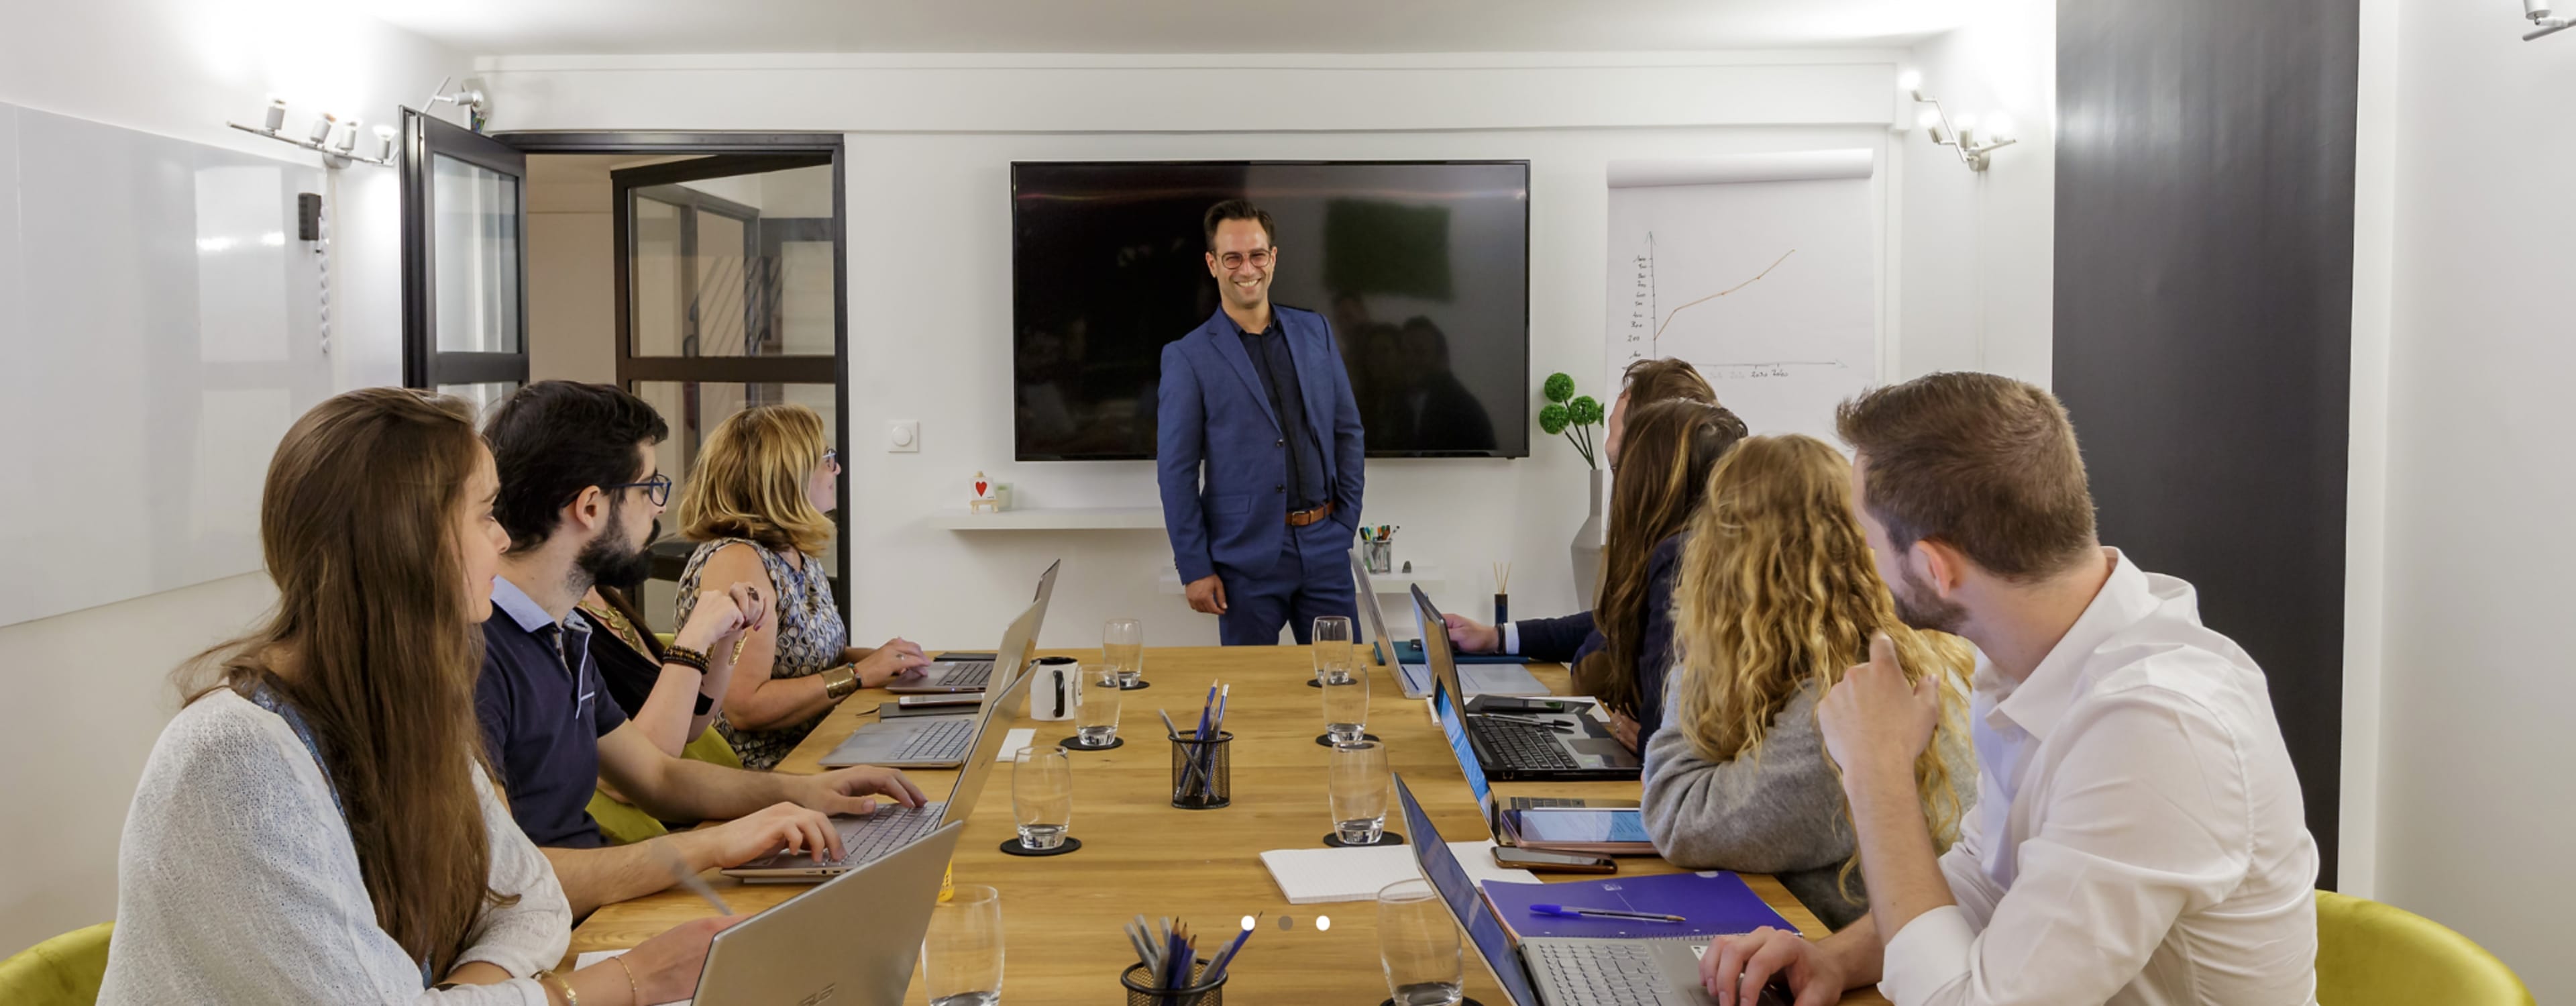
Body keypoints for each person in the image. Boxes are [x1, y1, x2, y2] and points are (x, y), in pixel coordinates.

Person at [102, 388, 739, 1005]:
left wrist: (463, 996)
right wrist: (615, 984)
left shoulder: (407, 708)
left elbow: (533, 897)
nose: (502, 538)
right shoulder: (233, 758)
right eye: (486, 513)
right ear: (407, 541)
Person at [1701, 372, 2318, 1006]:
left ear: (1935, 568)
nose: (1862, 557)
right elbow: (1987, 885)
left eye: (1868, 538)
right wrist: (1831, 957)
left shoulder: (2155, 727)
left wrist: (1876, 770)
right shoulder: (2040, 661)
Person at [477, 382, 926, 917]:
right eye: (649, 488)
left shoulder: (562, 634)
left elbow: (658, 777)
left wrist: (806, 792)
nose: (658, 510)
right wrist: (717, 844)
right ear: (592, 507)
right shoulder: (477, 653)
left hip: (600, 908)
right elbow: (506, 885)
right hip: (565, 929)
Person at [1640, 434, 1976, 930]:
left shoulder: (1848, 696)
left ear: (1732, 565)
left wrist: (1702, 646)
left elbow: (1679, 814)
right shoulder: (1882, 647)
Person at [674, 403, 930, 770]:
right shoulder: (738, 560)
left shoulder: (793, 551)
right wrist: (858, 676)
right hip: (768, 768)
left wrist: (886, 660)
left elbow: (811, 662)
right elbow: (747, 707)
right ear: (786, 476)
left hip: (819, 743)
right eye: (827, 458)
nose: (836, 468)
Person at [1157, 199, 1367, 645]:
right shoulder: (1187, 357)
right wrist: (1196, 567)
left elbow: (1347, 430)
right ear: (1213, 264)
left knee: (1344, 690)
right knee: (1253, 703)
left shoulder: (1317, 332)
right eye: (1232, 257)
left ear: (1272, 258)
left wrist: (1345, 521)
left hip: (1326, 545)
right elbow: (1175, 472)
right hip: (1244, 561)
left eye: (1256, 255)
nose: (1246, 267)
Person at [1443, 357, 1718, 664]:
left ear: (1651, 456)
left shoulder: (1679, 558)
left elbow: (1597, 654)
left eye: (1618, 462)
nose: (1620, 476)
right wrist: (1495, 636)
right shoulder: (1689, 530)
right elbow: (1608, 623)